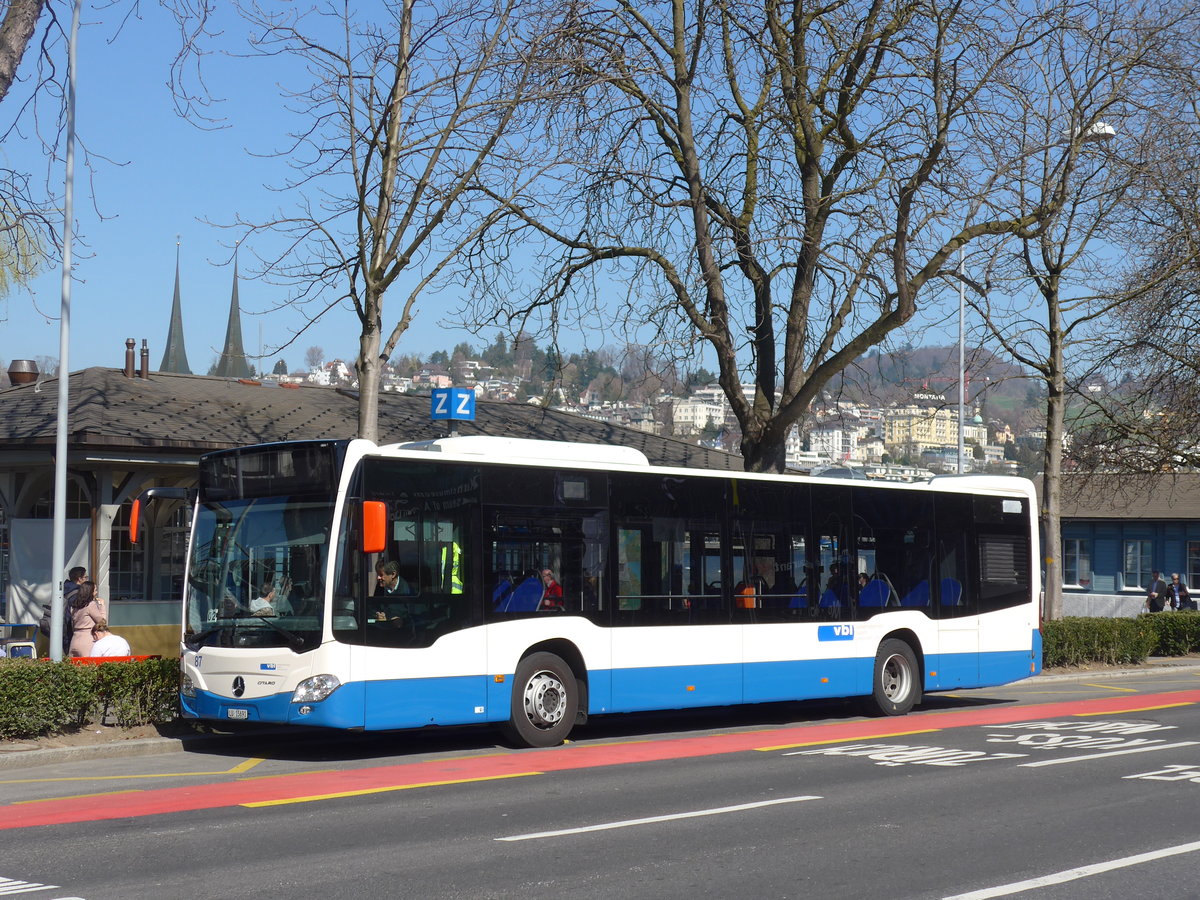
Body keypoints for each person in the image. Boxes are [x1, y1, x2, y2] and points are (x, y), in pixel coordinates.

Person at [68, 582, 105, 657]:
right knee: (88, 665)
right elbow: (102, 622)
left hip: (75, 638)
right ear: (90, 592)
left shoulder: (75, 606)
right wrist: (102, 606)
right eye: (95, 590)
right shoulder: (90, 605)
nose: (96, 593)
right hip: (87, 638)